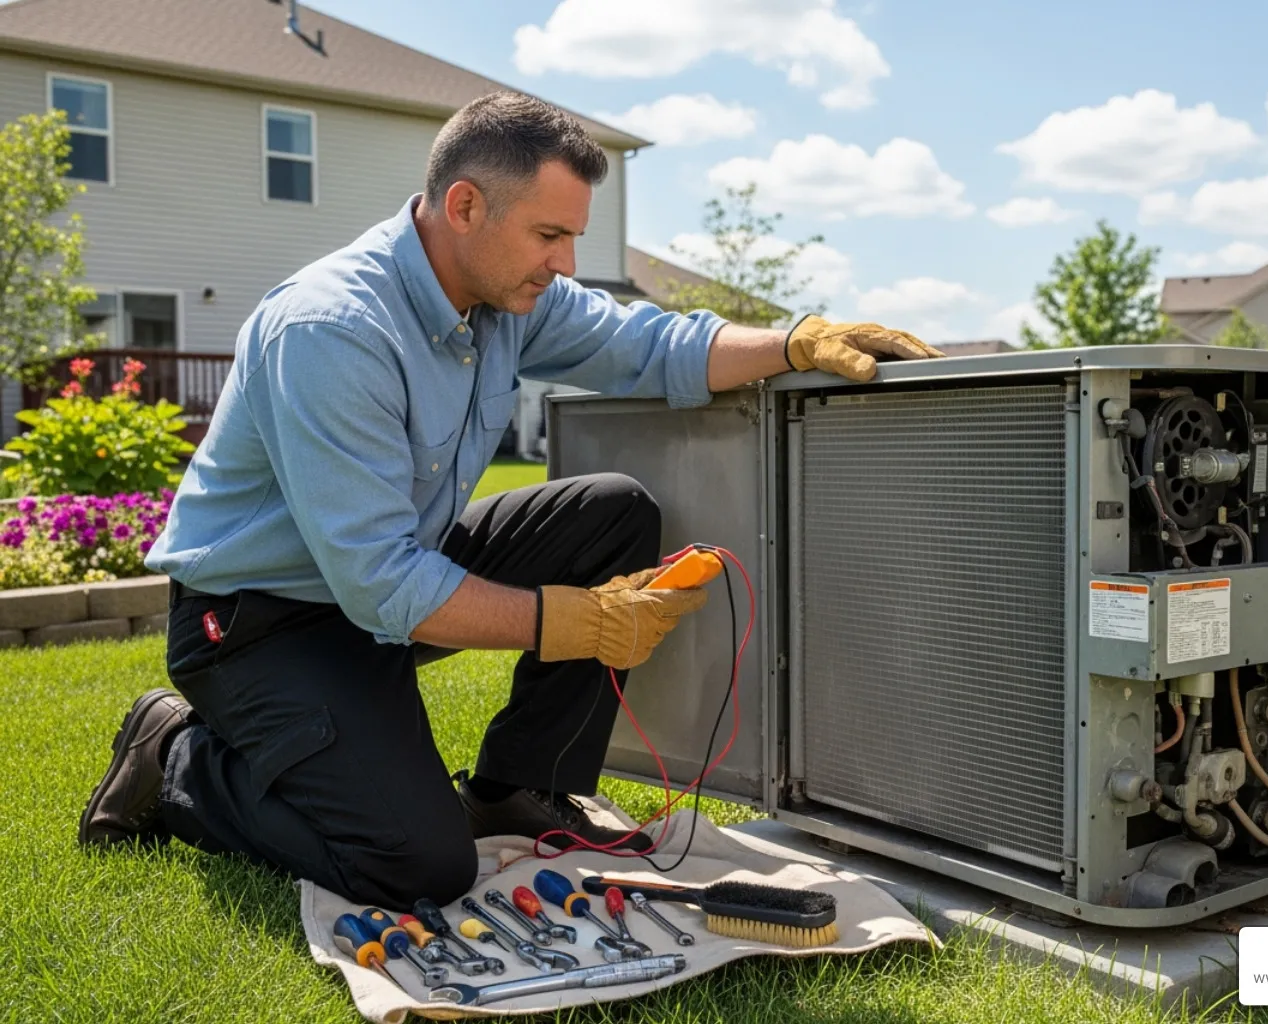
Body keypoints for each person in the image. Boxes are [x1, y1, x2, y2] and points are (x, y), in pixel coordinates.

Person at [76, 91, 942, 908]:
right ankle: (176, 757)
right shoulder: (334, 330)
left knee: (614, 512)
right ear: (464, 207)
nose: (565, 263)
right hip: (261, 624)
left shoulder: (508, 297)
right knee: (417, 863)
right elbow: (380, 587)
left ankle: (522, 788)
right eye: (549, 235)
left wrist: (796, 340)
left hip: (383, 585)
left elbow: (650, 346)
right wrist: (578, 623)